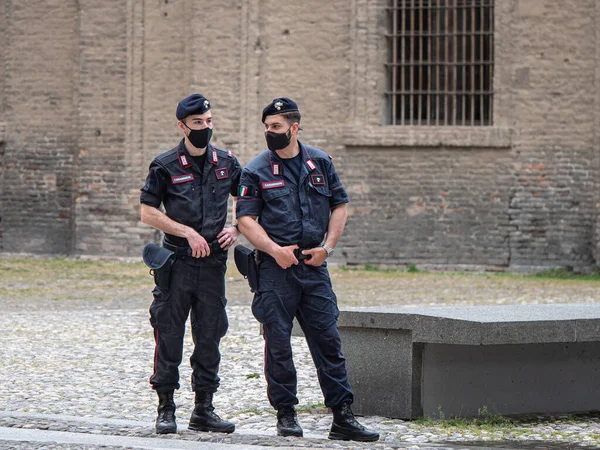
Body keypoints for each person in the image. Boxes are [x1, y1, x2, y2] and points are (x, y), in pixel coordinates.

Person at [236, 97, 379, 442]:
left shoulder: (320, 162)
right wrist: (273, 250)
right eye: (267, 128)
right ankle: (286, 415)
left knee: (328, 341)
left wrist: (328, 248)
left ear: (294, 128)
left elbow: (339, 206)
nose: (270, 133)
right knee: (279, 345)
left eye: (277, 127)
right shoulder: (255, 170)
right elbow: (245, 220)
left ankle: (342, 416)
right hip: (275, 270)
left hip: (313, 268)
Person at [140, 94, 241, 435]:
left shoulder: (226, 162)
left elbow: (250, 198)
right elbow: (148, 211)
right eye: (198, 123)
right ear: (183, 126)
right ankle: (166, 407)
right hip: (177, 264)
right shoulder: (165, 164)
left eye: (209, 122)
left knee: (210, 335)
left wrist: (237, 227)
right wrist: (186, 232)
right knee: (169, 334)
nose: (205, 128)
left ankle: (204, 409)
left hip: (213, 264)